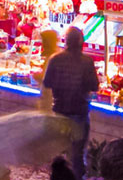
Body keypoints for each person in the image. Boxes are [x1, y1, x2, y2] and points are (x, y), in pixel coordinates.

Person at [42, 25, 101, 158]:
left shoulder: (55, 59)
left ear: (66, 41)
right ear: (81, 42)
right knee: (78, 154)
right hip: (80, 112)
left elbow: (47, 83)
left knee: (60, 152)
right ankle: (77, 177)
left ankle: (60, 177)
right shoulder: (87, 61)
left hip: (59, 111)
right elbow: (94, 86)